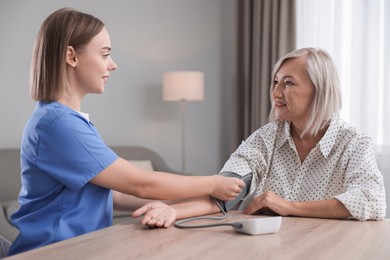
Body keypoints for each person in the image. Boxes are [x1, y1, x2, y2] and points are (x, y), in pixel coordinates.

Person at [7, 8, 245, 256]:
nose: (113, 64)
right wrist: (212, 183)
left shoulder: (64, 120)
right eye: (105, 54)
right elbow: (141, 183)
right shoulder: (58, 124)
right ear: (71, 56)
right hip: (53, 252)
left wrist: (168, 206)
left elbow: (113, 193)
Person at [132, 47, 387, 227]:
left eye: (288, 83)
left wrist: (289, 207)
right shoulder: (266, 138)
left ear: (319, 90)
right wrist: (172, 210)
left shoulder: (353, 143)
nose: (276, 92)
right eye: (275, 82)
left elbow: (371, 201)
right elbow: (227, 189)